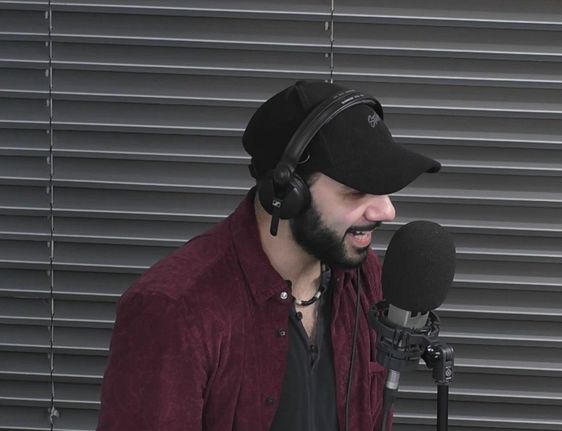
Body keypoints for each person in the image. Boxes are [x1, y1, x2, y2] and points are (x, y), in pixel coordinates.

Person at [96, 80, 441, 431]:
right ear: (287, 192)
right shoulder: (174, 310)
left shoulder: (363, 275)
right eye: (356, 191)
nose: (387, 211)